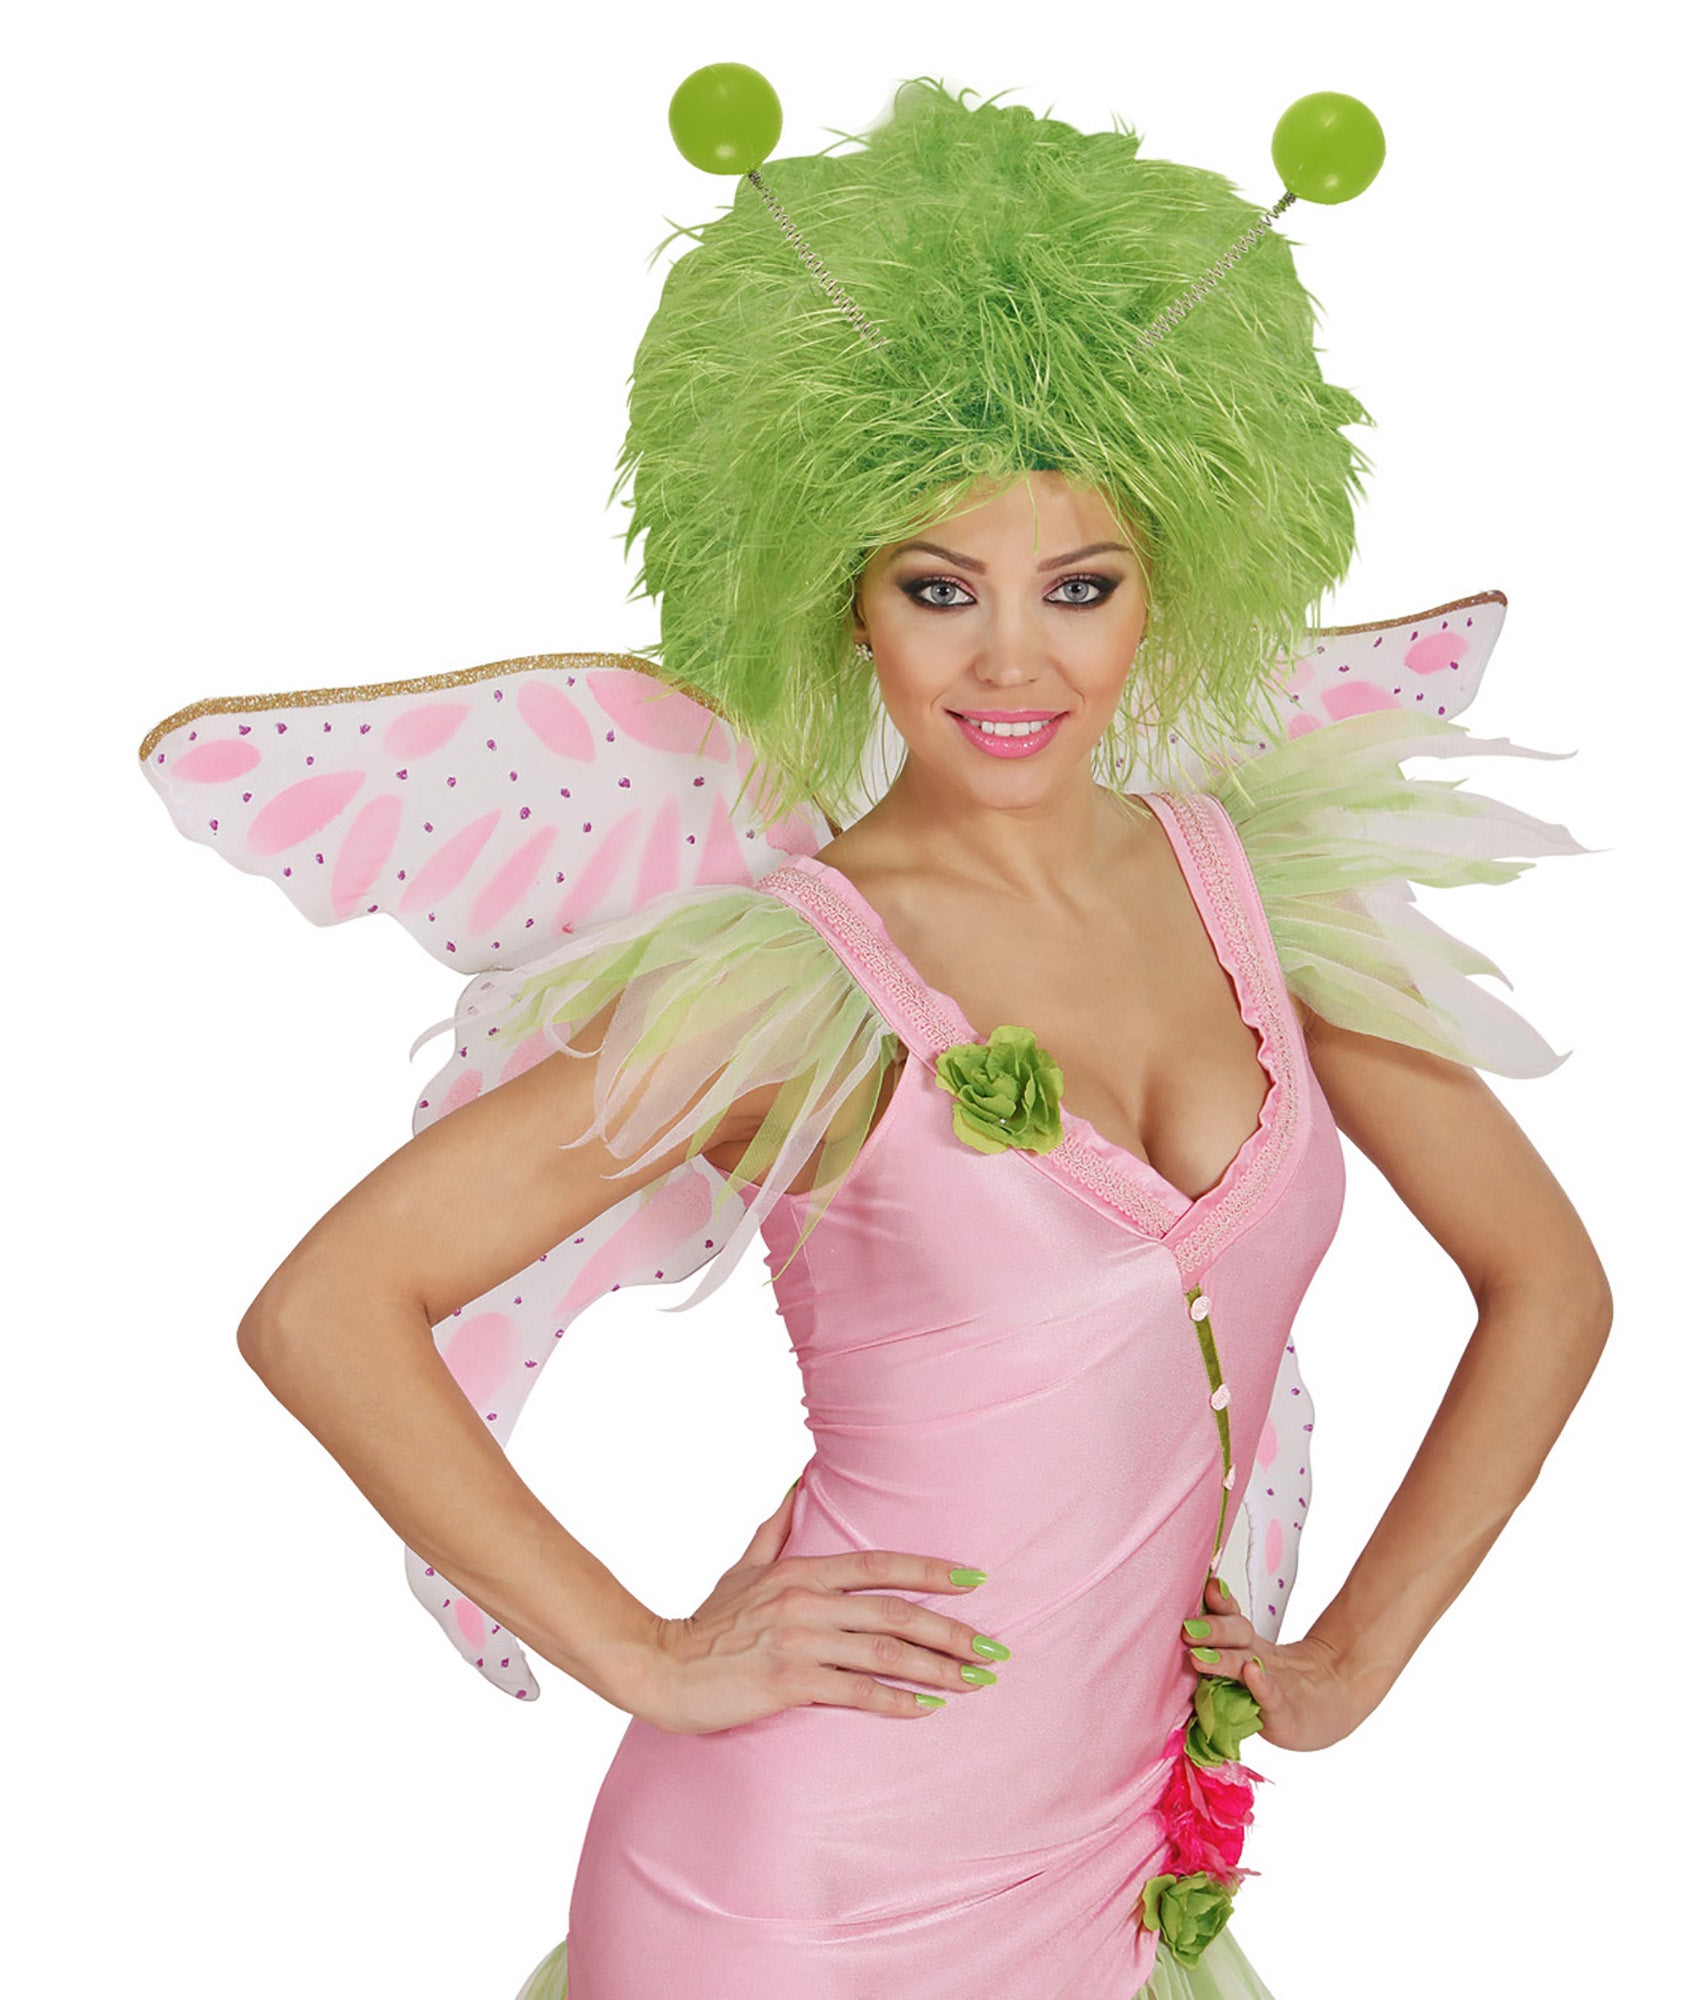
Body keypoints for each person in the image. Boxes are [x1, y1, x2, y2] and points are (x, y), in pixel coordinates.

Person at [209, 77, 1611, 1999]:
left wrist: (1354, 1658)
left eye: (1080, 587)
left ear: (1166, 589)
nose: (1013, 659)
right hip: (795, 1893)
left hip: (1112, 1866)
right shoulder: (792, 982)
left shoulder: (1266, 892)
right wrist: (646, 1652)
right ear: (846, 605)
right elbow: (326, 1310)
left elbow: (1548, 1282)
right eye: (939, 589)